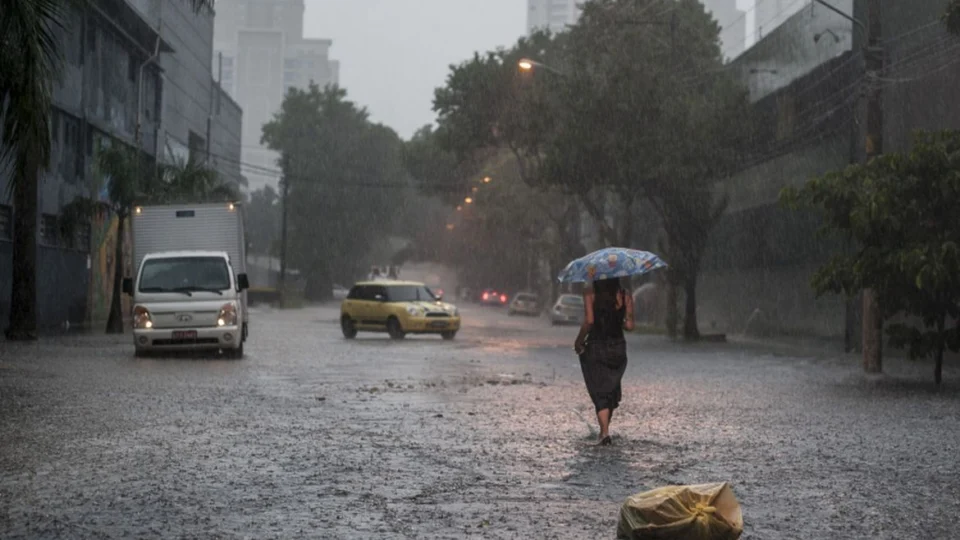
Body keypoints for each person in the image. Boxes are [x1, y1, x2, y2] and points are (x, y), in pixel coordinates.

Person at [573, 277, 635, 446]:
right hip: (618, 348)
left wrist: (578, 341)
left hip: (596, 346)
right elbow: (630, 326)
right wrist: (618, 319)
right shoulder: (625, 295)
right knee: (611, 388)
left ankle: (604, 433)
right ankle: (604, 430)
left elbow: (589, 321)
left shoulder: (590, 293)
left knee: (599, 389)